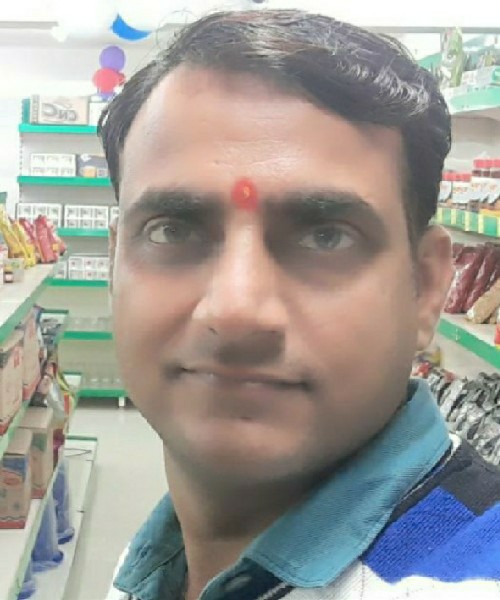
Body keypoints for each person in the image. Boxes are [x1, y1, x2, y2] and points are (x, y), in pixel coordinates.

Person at [101, 9, 500, 600]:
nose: (235, 311)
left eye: (325, 236)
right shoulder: (156, 562)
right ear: (114, 265)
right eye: (172, 230)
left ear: (425, 288)